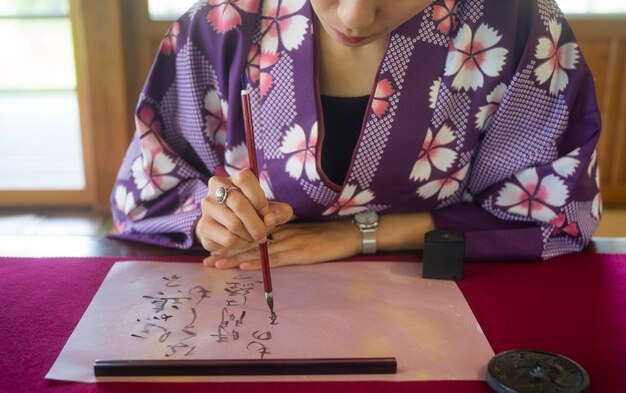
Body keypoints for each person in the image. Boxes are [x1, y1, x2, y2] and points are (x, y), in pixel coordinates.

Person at [110, 0, 602, 270]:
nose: (354, 16)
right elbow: (147, 194)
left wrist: (358, 236)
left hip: (436, 296)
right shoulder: (220, 29)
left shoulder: (518, 25)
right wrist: (209, 211)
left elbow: (559, 210)